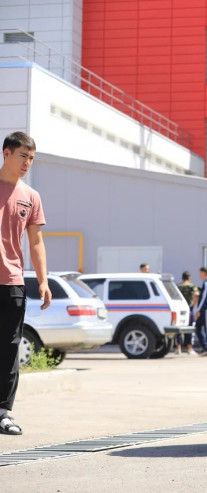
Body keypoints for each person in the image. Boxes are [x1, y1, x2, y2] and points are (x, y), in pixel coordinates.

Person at [1, 131, 52, 436]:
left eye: (31, 158)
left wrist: (43, 281)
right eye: (23, 156)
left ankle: (3, 413)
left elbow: (36, 242)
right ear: (6, 153)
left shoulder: (31, 196)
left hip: (12, 282)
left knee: (8, 350)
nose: (27, 163)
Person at [175, 271, 199, 355]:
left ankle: (178, 348)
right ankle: (189, 349)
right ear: (189, 278)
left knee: (178, 329)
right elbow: (196, 295)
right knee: (189, 329)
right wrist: (194, 305)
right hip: (189, 309)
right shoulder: (192, 286)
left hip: (179, 309)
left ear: (182, 278)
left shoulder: (178, 286)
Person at [194, 267, 207, 356]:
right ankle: (205, 347)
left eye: (200, 273)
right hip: (203, 309)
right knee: (198, 327)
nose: (199, 275)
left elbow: (204, 298)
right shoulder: (206, 283)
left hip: (206, 309)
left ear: (204, 273)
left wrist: (198, 309)